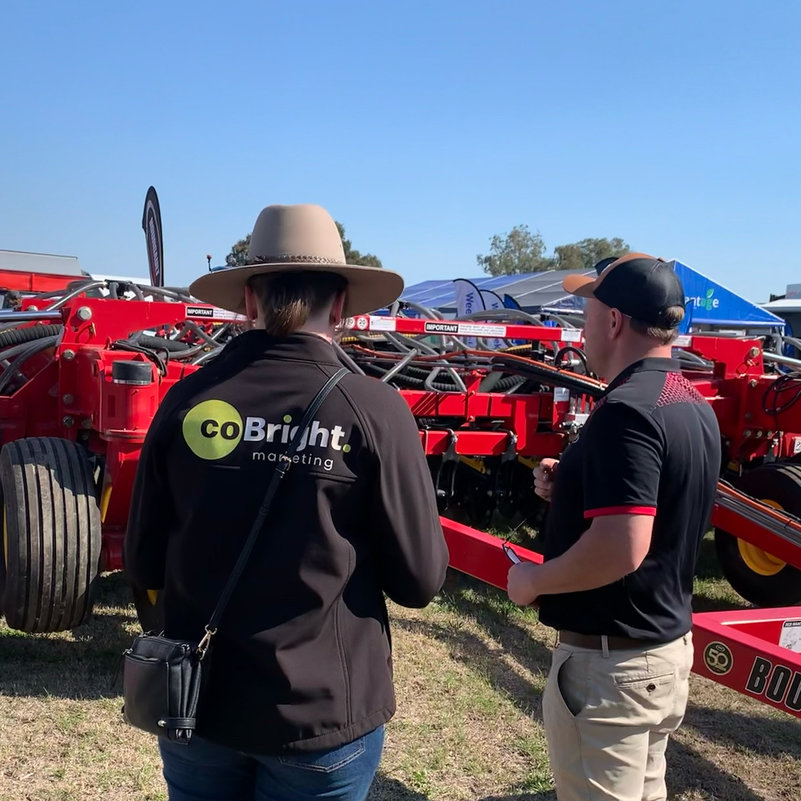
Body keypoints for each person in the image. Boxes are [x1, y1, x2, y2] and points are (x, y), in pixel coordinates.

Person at [124, 203, 449, 801]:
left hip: (198, 704)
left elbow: (141, 562)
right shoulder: (373, 410)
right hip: (321, 715)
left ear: (249, 300)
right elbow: (420, 582)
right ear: (343, 304)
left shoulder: (190, 399)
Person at [506, 253, 721, 801]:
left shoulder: (626, 411)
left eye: (587, 310)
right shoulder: (690, 403)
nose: (581, 327)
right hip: (662, 651)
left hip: (612, 668)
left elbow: (623, 546)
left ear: (615, 321)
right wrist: (576, 485)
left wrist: (535, 580)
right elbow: (664, 503)